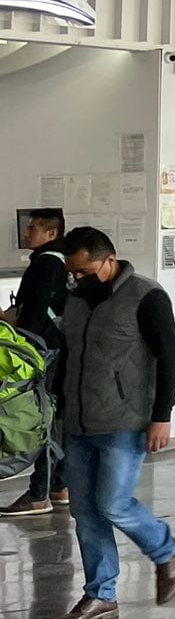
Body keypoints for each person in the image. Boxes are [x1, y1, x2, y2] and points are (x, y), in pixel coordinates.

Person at [46, 228, 175, 619]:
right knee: (85, 511)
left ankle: (167, 550)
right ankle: (100, 595)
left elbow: (171, 358)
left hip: (126, 420)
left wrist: (163, 415)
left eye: (86, 271)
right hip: (77, 421)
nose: (79, 279)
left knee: (113, 503)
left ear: (110, 260)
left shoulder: (146, 296)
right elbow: (69, 354)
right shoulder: (75, 300)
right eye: (73, 273)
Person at [1, 207, 70, 515]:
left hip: (42, 351)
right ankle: (58, 485)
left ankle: (38, 493)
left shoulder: (45, 264)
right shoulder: (59, 262)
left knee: (39, 418)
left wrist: (17, 336)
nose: (27, 234)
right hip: (54, 345)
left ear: (51, 234)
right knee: (51, 416)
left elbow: (34, 312)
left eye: (33, 229)